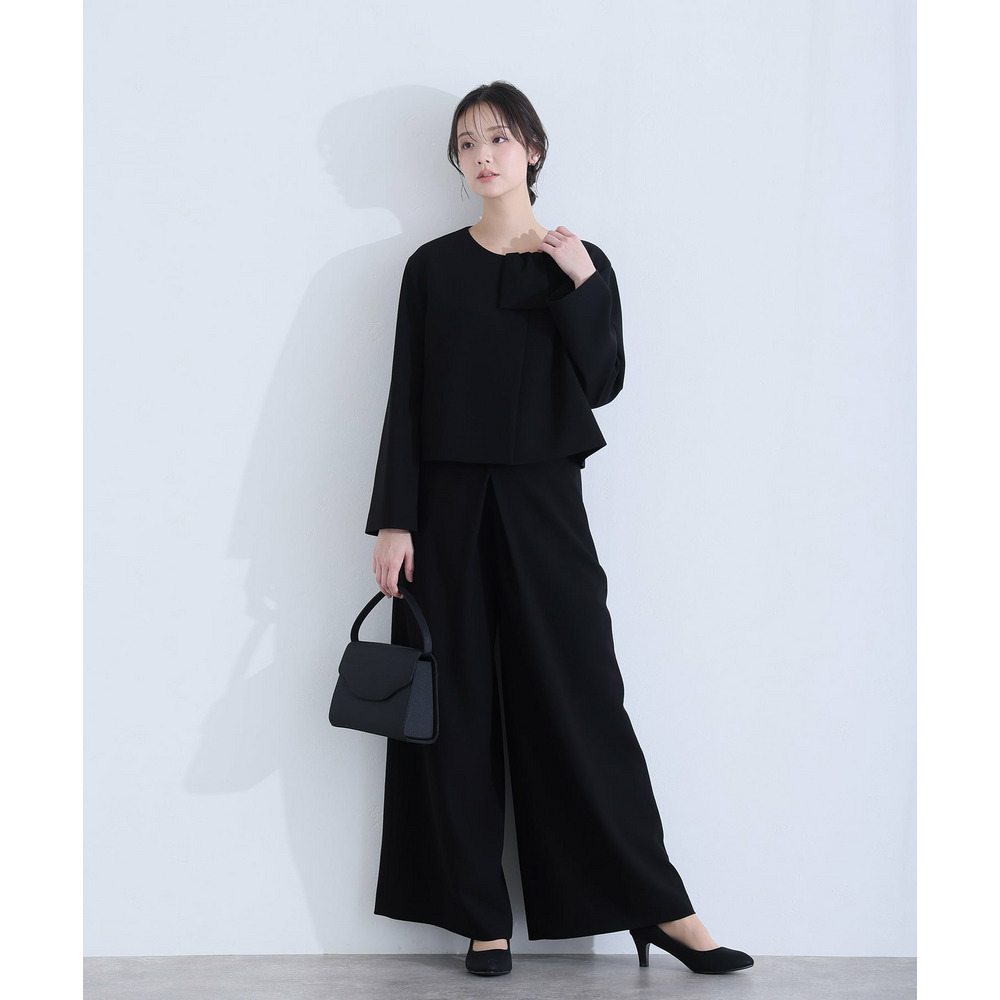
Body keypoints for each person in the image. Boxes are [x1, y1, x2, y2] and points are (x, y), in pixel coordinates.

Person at [364, 80, 754, 978]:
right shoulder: (431, 268)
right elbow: (405, 399)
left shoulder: (578, 260)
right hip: (445, 509)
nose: (483, 155)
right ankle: (480, 918)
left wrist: (582, 280)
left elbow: (603, 381)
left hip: (544, 503)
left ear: (533, 149)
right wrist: (394, 520)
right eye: (467, 143)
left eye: (499, 138)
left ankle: (661, 908)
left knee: (581, 697)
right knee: (453, 704)